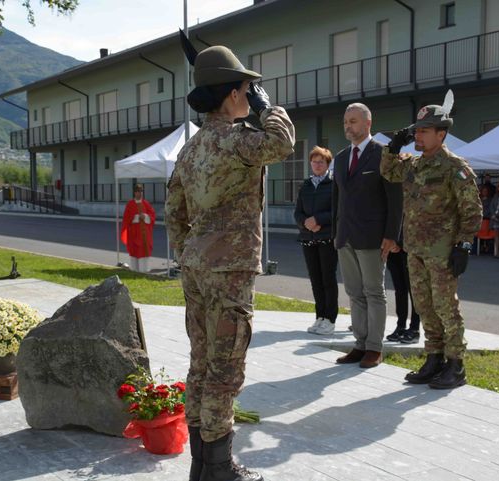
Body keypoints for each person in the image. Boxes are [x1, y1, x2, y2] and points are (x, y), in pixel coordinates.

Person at [167, 36, 295, 481]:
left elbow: (174, 214)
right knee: (225, 371)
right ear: (234, 94)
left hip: (197, 268)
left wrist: (188, 254)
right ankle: (219, 470)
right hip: (230, 268)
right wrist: (268, 107)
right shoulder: (240, 141)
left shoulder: (190, 148)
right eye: (246, 89)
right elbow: (282, 142)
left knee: (200, 365)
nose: (249, 95)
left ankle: (201, 465)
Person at [381, 92, 482, 389]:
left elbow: (472, 210)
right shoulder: (413, 165)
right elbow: (388, 173)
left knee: (445, 307)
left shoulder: (454, 167)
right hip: (416, 249)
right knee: (425, 307)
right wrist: (393, 146)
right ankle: (434, 357)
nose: (418, 136)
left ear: (442, 133)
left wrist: (464, 245)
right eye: (417, 131)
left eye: (424, 131)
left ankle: (455, 364)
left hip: (442, 250)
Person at [332, 103, 403, 369]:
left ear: (368, 123)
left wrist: (391, 236)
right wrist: (335, 234)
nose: (348, 126)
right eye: (345, 122)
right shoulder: (340, 158)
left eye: (353, 121)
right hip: (346, 236)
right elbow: (336, 199)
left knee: (374, 292)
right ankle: (360, 344)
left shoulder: (383, 154)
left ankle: (375, 347)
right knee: (354, 292)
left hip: (373, 237)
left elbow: (395, 200)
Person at [294, 146, 338, 335]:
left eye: (321, 162)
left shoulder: (334, 184)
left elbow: (337, 210)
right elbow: (297, 212)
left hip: (327, 238)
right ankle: (319, 316)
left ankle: (330, 319)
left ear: (328, 164)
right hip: (308, 237)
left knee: (328, 279)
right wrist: (306, 223)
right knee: (315, 280)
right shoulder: (306, 185)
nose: (317, 165)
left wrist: (319, 220)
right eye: (314, 161)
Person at [385, 230, 420, 344]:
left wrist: (399, 243)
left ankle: (414, 329)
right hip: (392, 246)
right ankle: (401, 326)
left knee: (414, 290)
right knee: (399, 289)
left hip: (410, 245)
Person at [120, 184, 156, 272]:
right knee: (134, 251)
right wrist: (136, 217)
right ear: (134, 193)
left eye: (141, 191)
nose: (139, 193)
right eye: (138, 191)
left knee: (144, 251)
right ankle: (134, 270)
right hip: (134, 233)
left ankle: (144, 271)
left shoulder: (146, 204)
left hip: (145, 234)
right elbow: (126, 218)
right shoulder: (130, 204)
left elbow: (152, 215)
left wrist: (146, 216)